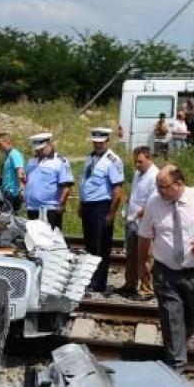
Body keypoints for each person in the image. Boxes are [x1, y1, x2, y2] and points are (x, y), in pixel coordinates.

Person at [137, 166, 194, 371]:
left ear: (178, 184)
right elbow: (144, 236)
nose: (159, 192)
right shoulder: (154, 203)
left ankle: (177, 346)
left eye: (163, 187)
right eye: (157, 187)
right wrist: (141, 266)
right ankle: (176, 364)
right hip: (165, 271)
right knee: (171, 317)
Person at [78, 128, 125, 294]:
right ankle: (91, 278)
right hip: (88, 205)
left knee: (101, 247)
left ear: (107, 141)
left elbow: (117, 190)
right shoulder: (90, 157)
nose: (97, 145)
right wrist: (81, 204)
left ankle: (99, 282)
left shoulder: (113, 160)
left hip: (102, 206)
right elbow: (85, 182)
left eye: (101, 142)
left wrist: (111, 213)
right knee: (90, 246)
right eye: (95, 142)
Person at [117, 146, 158, 300]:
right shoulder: (138, 174)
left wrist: (143, 212)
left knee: (146, 256)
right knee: (132, 254)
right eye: (135, 162)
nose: (137, 165)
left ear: (149, 158)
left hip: (145, 222)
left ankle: (147, 288)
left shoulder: (155, 176)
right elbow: (135, 193)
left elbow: (154, 200)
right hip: (133, 219)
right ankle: (130, 284)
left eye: (140, 162)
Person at [24, 132, 74, 231]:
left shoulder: (60, 161)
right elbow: (28, 181)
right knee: (35, 238)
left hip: (49, 208)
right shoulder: (31, 162)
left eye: (41, 149)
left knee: (49, 239)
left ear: (49, 145)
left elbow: (66, 187)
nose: (39, 152)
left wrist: (61, 204)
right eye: (37, 150)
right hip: (32, 208)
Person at [0, 132, 27, 212]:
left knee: (11, 217)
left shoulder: (15, 154)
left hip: (13, 192)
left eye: (0, 144)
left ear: (6, 142)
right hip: (7, 191)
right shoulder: (8, 155)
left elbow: (20, 170)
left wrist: (21, 188)